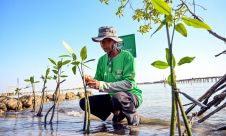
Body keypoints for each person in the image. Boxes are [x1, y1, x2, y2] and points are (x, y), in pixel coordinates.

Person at [79, 26, 142, 125]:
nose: (102, 45)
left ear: (114, 42)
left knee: (118, 97)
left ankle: (134, 122)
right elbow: (98, 80)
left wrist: (101, 85)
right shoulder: (101, 60)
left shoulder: (127, 56)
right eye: (101, 42)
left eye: (106, 41)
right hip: (113, 98)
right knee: (83, 102)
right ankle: (117, 113)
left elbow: (129, 84)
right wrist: (90, 80)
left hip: (131, 96)